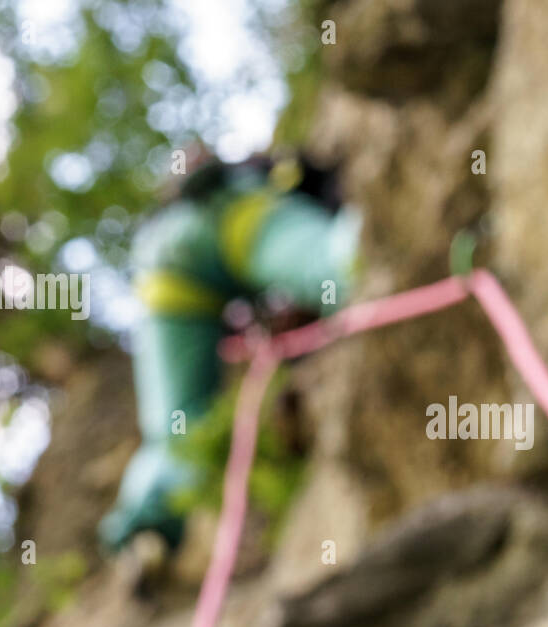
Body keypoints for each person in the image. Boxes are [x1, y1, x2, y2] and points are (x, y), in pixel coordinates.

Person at [98, 153, 361, 550]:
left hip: (166, 265)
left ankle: (145, 530)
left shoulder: (187, 206)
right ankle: (393, 242)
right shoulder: (286, 181)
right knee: (339, 265)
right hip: (243, 216)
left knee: (176, 430)